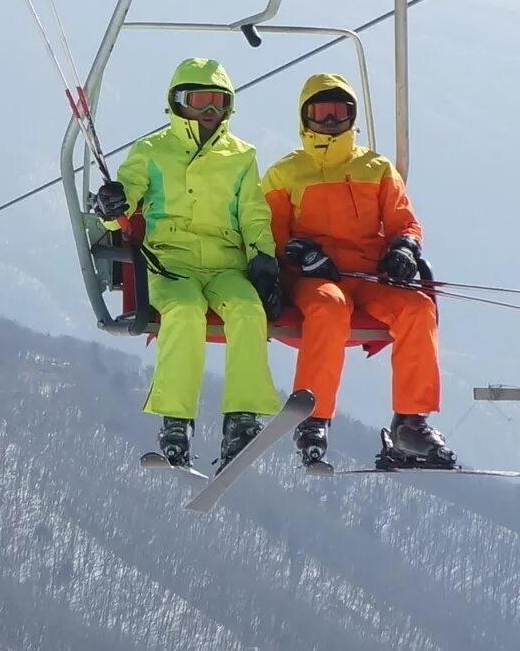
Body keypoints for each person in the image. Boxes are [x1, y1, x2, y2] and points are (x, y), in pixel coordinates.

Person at [92, 58, 284, 469]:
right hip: (168, 263)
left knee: (249, 312)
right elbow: (124, 199)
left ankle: (242, 418)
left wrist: (263, 257)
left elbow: (253, 213)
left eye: (218, 104)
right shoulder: (152, 151)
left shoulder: (241, 156)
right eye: (200, 102)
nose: (209, 114)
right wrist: (110, 204)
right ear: (178, 103)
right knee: (184, 311)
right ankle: (176, 419)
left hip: (225, 265)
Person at [265, 72, 456, 468]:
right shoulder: (286, 174)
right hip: (316, 278)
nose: (331, 122)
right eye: (321, 112)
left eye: (340, 112)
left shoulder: (377, 168)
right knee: (330, 309)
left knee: (418, 308)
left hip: (370, 275)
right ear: (305, 118)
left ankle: (410, 423)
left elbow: (405, 222)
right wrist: (301, 254)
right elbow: (268, 238)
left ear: (353, 116)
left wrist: (404, 247)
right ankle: (314, 416)